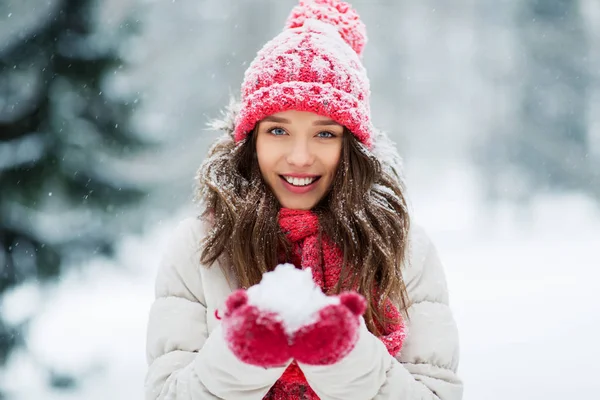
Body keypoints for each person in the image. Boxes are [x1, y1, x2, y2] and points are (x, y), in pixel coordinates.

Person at [144, 0, 462, 399]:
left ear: (353, 146)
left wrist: (345, 355)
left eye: (325, 134)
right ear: (251, 139)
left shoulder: (402, 248)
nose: (299, 156)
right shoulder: (200, 247)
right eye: (278, 131)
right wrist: (242, 354)